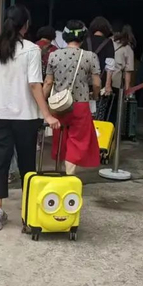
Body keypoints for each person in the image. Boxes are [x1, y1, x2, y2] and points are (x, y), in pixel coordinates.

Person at [0, 5, 60, 231]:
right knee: (28, 163)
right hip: (25, 115)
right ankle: (29, 214)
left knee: (1, 161)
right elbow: (35, 84)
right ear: (25, 25)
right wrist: (47, 114)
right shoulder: (31, 49)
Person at [43, 21, 101, 175]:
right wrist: (95, 96)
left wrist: (42, 102)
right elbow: (96, 83)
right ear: (83, 37)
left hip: (59, 105)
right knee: (77, 140)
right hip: (80, 105)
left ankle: (58, 172)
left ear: (65, 36)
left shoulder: (54, 55)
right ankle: (69, 176)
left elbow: (48, 82)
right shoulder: (90, 57)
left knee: (59, 138)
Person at [82, 16, 115, 119]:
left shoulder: (84, 41)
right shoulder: (108, 42)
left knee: (83, 114)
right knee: (98, 115)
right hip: (101, 84)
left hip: (83, 83)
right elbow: (110, 65)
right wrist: (108, 85)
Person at [112, 24, 136, 91]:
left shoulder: (108, 42)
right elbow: (128, 71)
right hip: (116, 83)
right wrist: (127, 89)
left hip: (103, 79)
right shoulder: (128, 48)